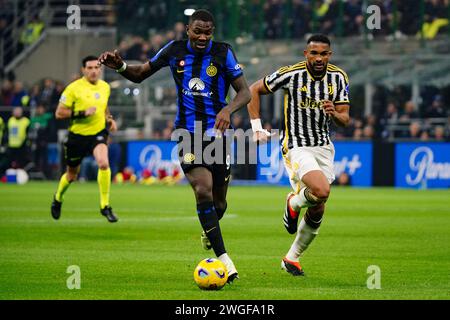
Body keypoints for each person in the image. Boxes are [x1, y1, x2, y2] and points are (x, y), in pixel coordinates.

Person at [98, 9, 251, 283]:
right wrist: (121, 66)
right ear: (187, 29)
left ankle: (209, 230)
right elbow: (140, 74)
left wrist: (228, 110)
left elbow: (245, 92)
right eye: (198, 31)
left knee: (219, 203)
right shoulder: (174, 50)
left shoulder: (224, 52)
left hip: (217, 134)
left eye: (208, 32)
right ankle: (225, 261)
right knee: (202, 190)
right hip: (187, 134)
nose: (203, 37)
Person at [247, 34, 350, 276]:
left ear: (329, 55)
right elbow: (254, 89)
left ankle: (291, 258)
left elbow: (345, 119)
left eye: (324, 54)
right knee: (322, 191)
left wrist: (334, 113)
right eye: (314, 53)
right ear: (306, 54)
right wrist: (257, 127)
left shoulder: (339, 77)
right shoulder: (291, 74)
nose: (319, 58)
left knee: (318, 207)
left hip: (324, 147)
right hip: (296, 145)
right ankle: (293, 202)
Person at [51, 56, 118, 223]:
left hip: (97, 133)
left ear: (100, 69)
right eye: (90, 68)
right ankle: (58, 198)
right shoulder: (73, 89)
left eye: (96, 67)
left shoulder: (105, 87)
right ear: (83, 70)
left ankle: (105, 206)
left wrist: (109, 118)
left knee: (103, 163)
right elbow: (59, 113)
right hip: (77, 136)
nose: (94, 71)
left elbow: (104, 106)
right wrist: (81, 113)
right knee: (71, 175)